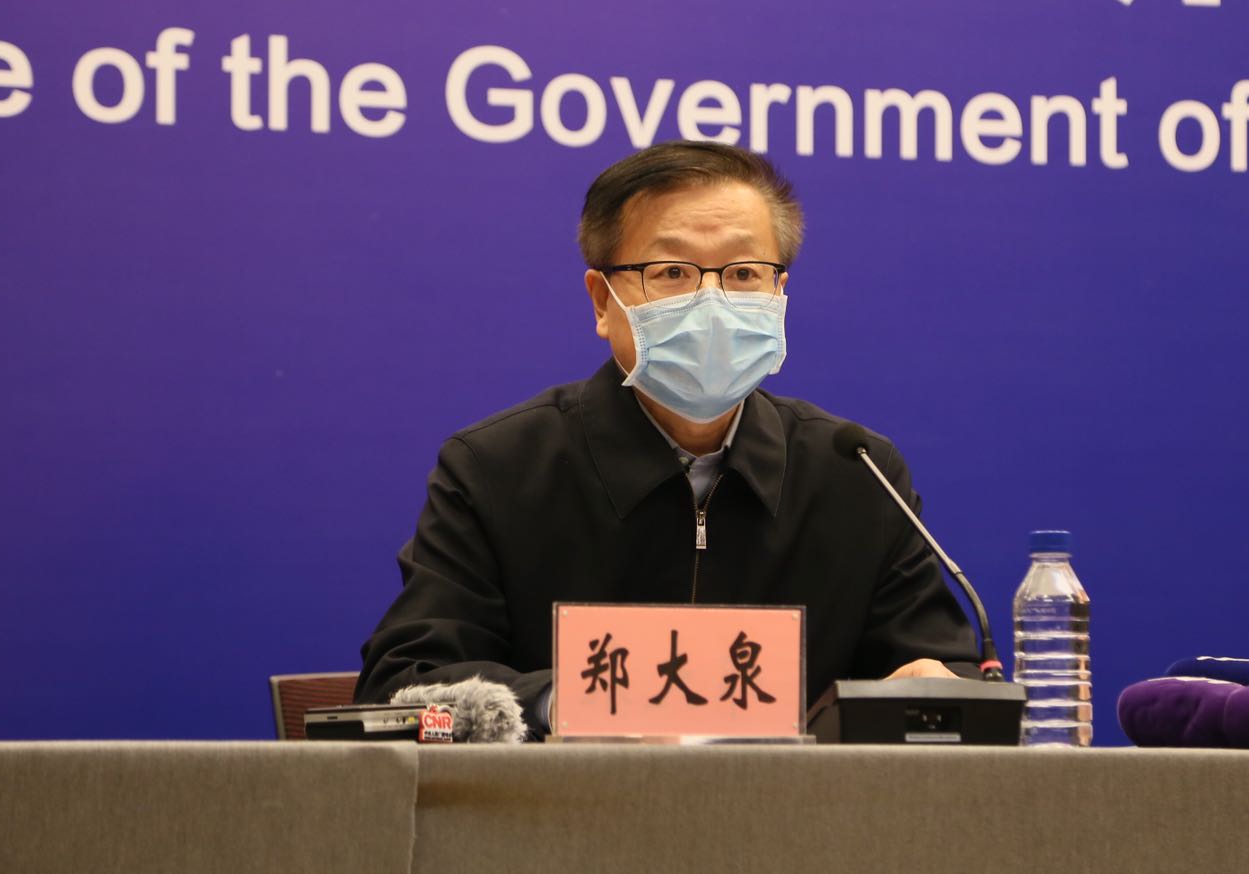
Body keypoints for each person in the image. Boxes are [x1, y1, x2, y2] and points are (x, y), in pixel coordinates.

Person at [355, 141, 977, 735]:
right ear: (602, 302)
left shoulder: (858, 474)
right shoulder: (496, 469)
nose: (712, 301)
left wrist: (936, 687)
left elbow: (945, 677)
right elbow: (403, 687)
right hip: (566, 805)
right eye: (672, 271)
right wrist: (571, 703)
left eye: (743, 272)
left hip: (797, 808)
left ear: (779, 293)